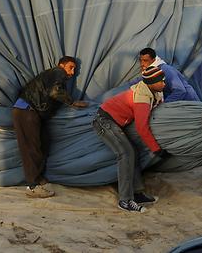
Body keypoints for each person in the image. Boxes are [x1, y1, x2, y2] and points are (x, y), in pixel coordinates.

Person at [93, 65, 169, 212]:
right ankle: (125, 200)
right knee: (125, 155)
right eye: (161, 81)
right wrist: (156, 149)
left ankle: (137, 193)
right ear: (152, 83)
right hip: (104, 121)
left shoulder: (152, 92)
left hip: (116, 123)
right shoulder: (142, 98)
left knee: (134, 152)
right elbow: (142, 127)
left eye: (164, 80)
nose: (164, 83)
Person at [13, 56, 88, 198]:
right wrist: (72, 102)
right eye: (70, 67)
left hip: (31, 112)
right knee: (31, 148)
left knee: (43, 143)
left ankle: (39, 178)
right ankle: (32, 186)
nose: (72, 72)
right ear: (61, 65)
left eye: (74, 69)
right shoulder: (57, 72)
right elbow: (55, 92)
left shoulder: (52, 77)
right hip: (26, 111)